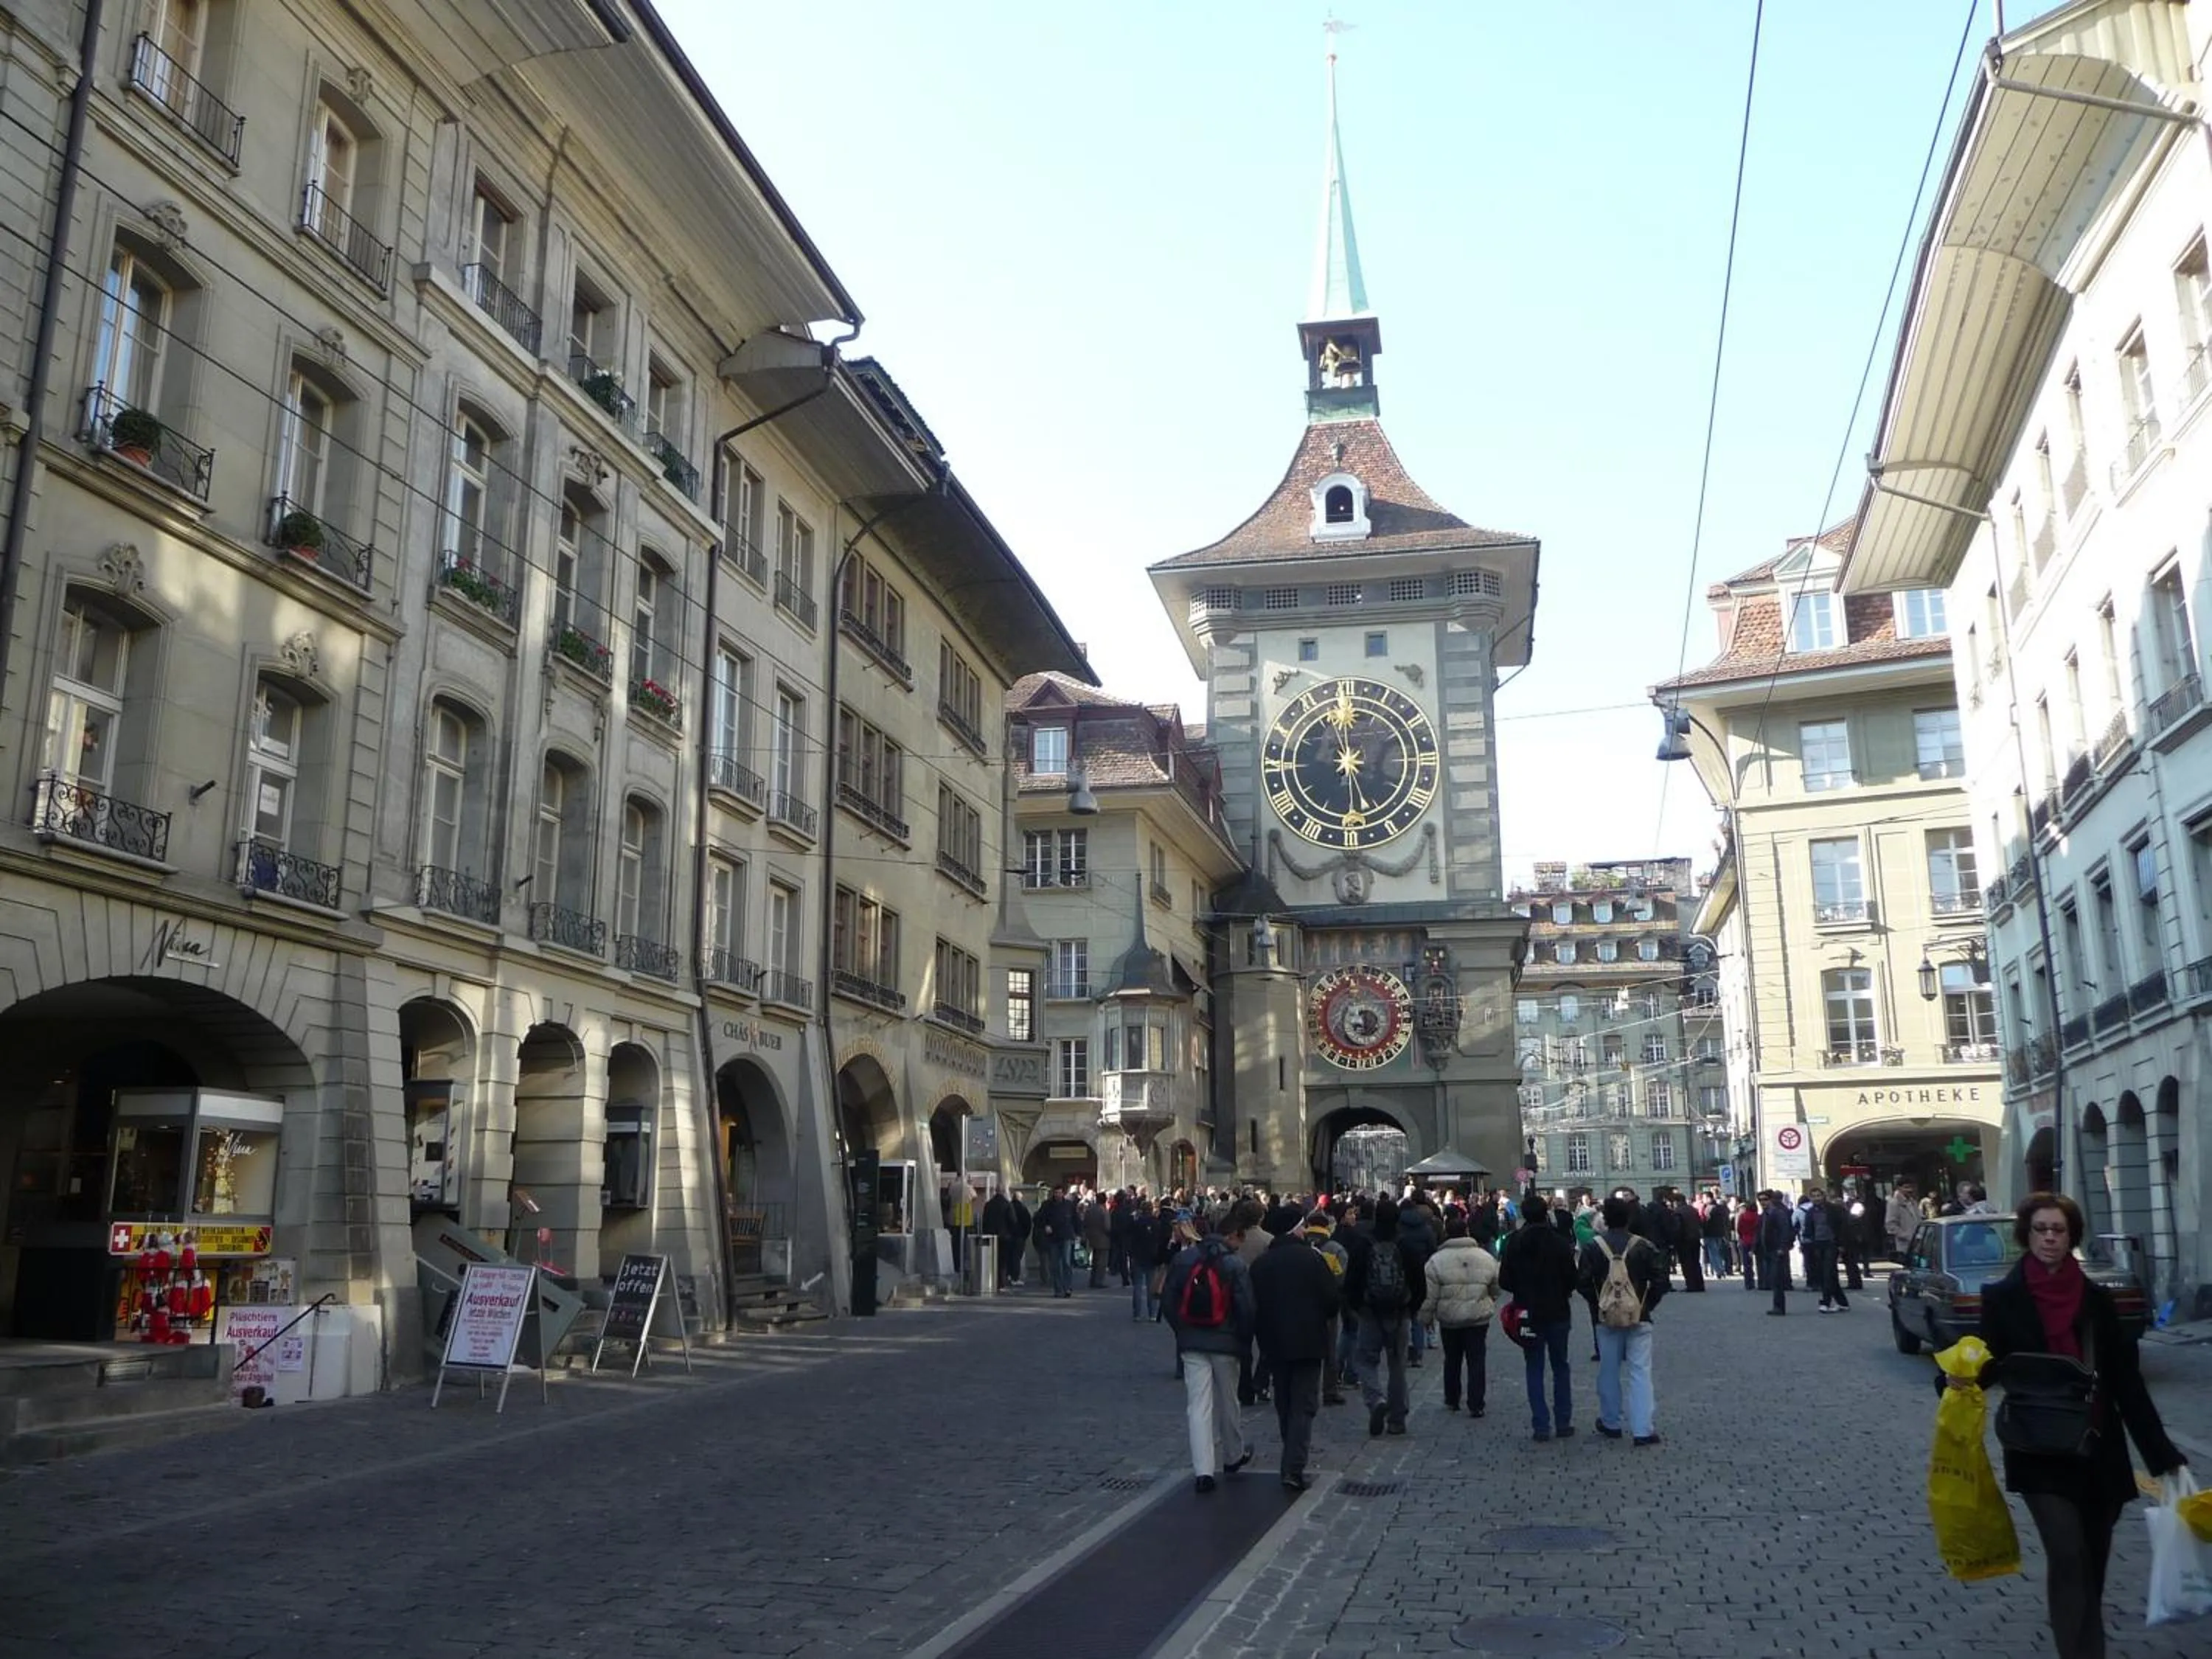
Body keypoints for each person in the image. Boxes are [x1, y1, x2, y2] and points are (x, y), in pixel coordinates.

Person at [1950, 1193, 2188, 1659]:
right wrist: (1958, 1377)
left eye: (2058, 1230)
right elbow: (1991, 1358)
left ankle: (2083, 1637)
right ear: (2027, 1235)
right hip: (2038, 1447)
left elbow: (2127, 1384)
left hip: (2098, 1449)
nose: (2050, 1238)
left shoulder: (2098, 1300)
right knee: (2067, 1555)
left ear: (2071, 1236)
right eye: (2041, 1229)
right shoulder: (2003, 1296)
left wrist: (2161, 1455)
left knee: (2092, 1563)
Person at [1161, 1212, 1257, 1494]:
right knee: (1229, 1401)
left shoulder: (1184, 1259)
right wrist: (1243, 1339)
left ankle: (1203, 1471)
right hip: (1226, 1342)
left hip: (1192, 1342)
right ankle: (1232, 1455)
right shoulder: (1234, 1263)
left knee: (1198, 1406)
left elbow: (1168, 1299)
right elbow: (1246, 1308)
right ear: (1230, 1236)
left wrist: (1182, 1331)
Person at [1249, 1208, 1340, 1492]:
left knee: (1285, 1402)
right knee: (1304, 1405)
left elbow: (1253, 1306)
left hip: (1274, 1343)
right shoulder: (1312, 1260)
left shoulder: (1261, 1264)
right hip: (1310, 1342)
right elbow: (1332, 1300)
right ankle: (1294, 1465)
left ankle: (1291, 1456)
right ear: (1294, 1229)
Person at [1577, 1193, 1668, 1446]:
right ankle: (1642, 1429)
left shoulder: (1593, 1247)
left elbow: (1582, 1282)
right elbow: (1662, 1281)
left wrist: (1598, 1305)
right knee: (1640, 1371)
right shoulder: (1644, 1246)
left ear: (1605, 1219)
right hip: (1639, 1317)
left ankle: (1611, 1421)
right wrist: (1645, 1305)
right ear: (1629, 1218)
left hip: (1606, 1319)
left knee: (1608, 1369)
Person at [1497, 1194, 1578, 1442]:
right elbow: (1572, 1279)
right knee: (1560, 1366)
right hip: (1557, 1311)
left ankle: (1541, 1425)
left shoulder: (1514, 1242)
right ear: (1546, 1214)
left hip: (1527, 1312)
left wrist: (1523, 1291)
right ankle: (1563, 1421)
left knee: (1534, 1366)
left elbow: (1504, 1281)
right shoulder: (1560, 1242)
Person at [1342, 1194, 1422, 1438]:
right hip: (1399, 1314)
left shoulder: (1363, 1244)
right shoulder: (1406, 1245)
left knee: (1366, 1361)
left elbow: (1351, 1281)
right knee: (1397, 1366)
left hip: (1370, 1313)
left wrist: (1358, 1307)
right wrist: (1411, 1309)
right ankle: (1397, 1419)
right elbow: (1419, 1283)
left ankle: (1376, 1400)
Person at [1422, 1214, 1500, 1417]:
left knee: (1452, 1358)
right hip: (1478, 1316)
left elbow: (1430, 1295)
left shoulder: (1436, 1261)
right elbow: (1496, 1286)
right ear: (1467, 1232)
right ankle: (1476, 1403)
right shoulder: (1485, 1257)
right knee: (1477, 1359)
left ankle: (1452, 1398)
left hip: (1450, 1318)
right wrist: (1489, 1300)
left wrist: (1426, 1318)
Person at [1304, 1211, 1352, 1406]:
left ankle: (1306, 1389)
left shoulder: (1300, 1245)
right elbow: (1341, 1278)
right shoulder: (1335, 1248)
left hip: (1303, 1303)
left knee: (1305, 1347)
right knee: (1329, 1348)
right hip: (1327, 1304)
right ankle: (1330, 1390)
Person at [1799, 1186, 1848, 1312]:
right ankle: (1842, 1302)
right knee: (1828, 1274)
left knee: (1828, 1273)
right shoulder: (1810, 1212)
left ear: (1823, 1196)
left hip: (1831, 1244)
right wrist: (1807, 1242)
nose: (1816, 1199)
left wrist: (1841, 1244)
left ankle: (1825, 1302)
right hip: (1817, 1245)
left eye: (1818, 1196)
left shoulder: (1833, 1209)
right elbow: (1808, 1230)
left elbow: (1842, 1226)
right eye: (1814, 1196)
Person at [1034, 1183, 1077, 1298]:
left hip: (1066, 1236)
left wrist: (1077, 1233)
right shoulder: (1047, 1205)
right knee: (1055, 1265)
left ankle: (1067, 1287)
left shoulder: (1068, 1205)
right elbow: (1037, 1218)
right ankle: (1058, 1289)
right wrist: (1045, 1226)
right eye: (1056, 1193)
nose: (1058, 1195)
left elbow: (1075, 1219)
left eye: (1060, 1193)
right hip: (1053, 1238)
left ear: (1063, 1193)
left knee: (1067, 1263)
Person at [1759, 1190, 1795, 1315]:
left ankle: (1779, 1307)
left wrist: (1782, 1247)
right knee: (1775, 1279)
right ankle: (1777, 1306)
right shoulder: (1765, 1214)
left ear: (1771, 1200)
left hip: (1777, 1250)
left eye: (1765, 1199)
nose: (1763, 1202)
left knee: (1777, 1279)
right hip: (1769, 1250)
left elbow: (1785, 1230)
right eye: (1761, 1200)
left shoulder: (1777, 1213)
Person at [981, 1184, 1017, 1289]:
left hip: (990, 1235)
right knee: (1003, 1260)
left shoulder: (989, 1204)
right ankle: (1001, 1282)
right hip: (1004, 1236)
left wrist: (986, 1231)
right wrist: (1010, 1232)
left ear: (995, 1191)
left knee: (991, 1259)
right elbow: (1013, 1220)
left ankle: (991, 1280)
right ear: (1003, 1192)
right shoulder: (1007, 1204)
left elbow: (985, 1220)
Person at [1081, 1189, 1112, 1289]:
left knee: (1095, 1261)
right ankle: (1099, 1281)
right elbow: (1107, 1227)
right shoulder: (1104, 1211)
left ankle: (1093, 1280)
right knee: (1102, 1263)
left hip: (1092, 1238)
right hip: (1103, 1239)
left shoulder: (1090, 1210)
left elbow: (1085, 1222)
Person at [1886, 1181, 1921, 1261]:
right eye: (1906, 1187)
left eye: (1911, 1187)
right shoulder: (1894, 1203)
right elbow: (1890, 1225)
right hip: (1906, 1245)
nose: (1910, 1190)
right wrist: (1907, 1236)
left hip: (1919, 1243)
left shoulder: (1913, 1202)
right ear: (1899, 1188)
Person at [1736, 1197, 1762, 1294]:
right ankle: (1761, 1282)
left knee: (1747, 1264)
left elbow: (1739, 1228)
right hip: (1756, 1241)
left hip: (1745, 1240)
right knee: (1760, 1262)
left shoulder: (1743, 1216)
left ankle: (1749, 1283)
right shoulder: (1758, 1217)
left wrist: (1742, 1236)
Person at [1007, 1189, 1033, 1287]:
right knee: (1017, 1257)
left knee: (1010, 1256)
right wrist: (1024, 1235)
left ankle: (1009, 1275)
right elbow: (1028, 1223)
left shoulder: (1008, 1206)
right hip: (1020, 1237)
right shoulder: (1023, 1208)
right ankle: (1015, 1278)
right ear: (1020, 1198)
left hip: (1009, 1236)